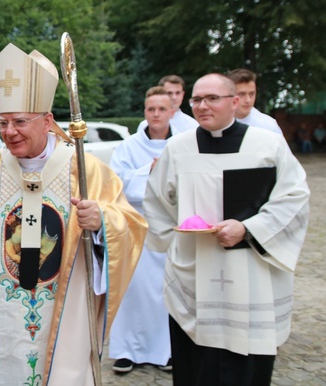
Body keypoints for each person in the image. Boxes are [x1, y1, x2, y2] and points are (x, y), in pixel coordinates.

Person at [0, 43, 147, 385]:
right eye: (4, 122)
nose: (9, 132)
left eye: (20, 121)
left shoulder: (86, 171)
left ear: (48, 120)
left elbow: (131, 223)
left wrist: (101, 222)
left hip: (61, 313)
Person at [144, 73, 310, 386]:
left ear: (234, 102)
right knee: (196, 365)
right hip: (194, 270)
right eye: (196, 99)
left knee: (245, 365)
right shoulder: (178, 148)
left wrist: (248, 228)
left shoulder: (267, 145)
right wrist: (178, 241)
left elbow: (295, 198)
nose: (202, 106)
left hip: (250, 272)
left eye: (212, 98)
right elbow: (156, 202)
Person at [108, 86, 174, 374]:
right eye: (151, 109)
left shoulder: (183, 143)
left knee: (167, 290)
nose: (156, 114)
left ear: (172, 112)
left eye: (162, 109)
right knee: (133, 290)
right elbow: (116, 183)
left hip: (171, 225)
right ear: (144, 112)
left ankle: (166, 351)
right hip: (137, 225)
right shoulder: (128, 146)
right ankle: (125, 350)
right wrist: (150, 170)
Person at [227, 68, 283, 135]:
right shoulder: (216, 124)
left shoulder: (269, 126)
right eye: (242, 94)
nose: (248, 100)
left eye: (251, 94)